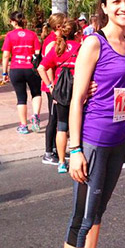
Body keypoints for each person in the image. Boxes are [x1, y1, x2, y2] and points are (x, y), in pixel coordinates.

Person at [66, 0, 125, 248]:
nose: (123, 7)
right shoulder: (95, 43)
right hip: (94, 141)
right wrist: (74, 149)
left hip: (117, 142)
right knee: (81, 219)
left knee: (97, 214)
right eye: (117, 2)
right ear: (105, 7)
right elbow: (77, 98)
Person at [37, 18, 80, 173]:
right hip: (78, 92)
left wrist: (50, 87)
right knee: (78, 127)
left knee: (61, 127)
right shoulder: (81, 48)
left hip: (60, 93)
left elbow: (41, 68)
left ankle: (61, 162)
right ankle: (78, 156)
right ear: (77, 33)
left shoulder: (57, 48)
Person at [2, 11, 42, 134]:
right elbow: (37, 53)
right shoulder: (32, 35)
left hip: (16, 68)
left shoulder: (10, 35)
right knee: (36, 93)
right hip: (31, 69)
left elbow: (5, 55)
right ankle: (35, 116)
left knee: (21, 98)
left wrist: (4, 73)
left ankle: (23, 125)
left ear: (13, 22)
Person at [40, 12, 68, 165]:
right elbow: (47, 66)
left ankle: (57, 149)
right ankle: (48, 152)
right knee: (53, 118)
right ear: (58, 26)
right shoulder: (51, 42)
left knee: (58, 118)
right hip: (53, 86)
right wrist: (52, 85)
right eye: (65, 23)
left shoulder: (58, 40)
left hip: (59, 85)